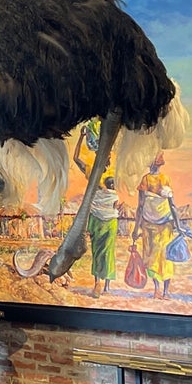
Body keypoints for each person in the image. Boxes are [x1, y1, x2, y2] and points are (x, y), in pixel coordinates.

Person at [73, 125, 119, 297]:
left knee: (108, 250)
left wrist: (117, 202)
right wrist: (81, 137)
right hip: (96, 216)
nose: (107, 157)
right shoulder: (92, 171)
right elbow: (76, 158)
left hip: (111, 217)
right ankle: (97, 283)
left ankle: (106, 284)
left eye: (108, 154)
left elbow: (120, 192)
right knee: (97, 250)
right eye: (103, 154)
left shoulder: (116, 171)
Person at [131, 151, 180, 299]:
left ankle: (159, 289)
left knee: (153, 256)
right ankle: (163, 291)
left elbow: (141, 206)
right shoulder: (163, 179)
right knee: (163, 256)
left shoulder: (146, 180)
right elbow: (172, 205)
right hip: (162, 223)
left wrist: (136, 228)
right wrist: (178, 224)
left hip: (151, 224)